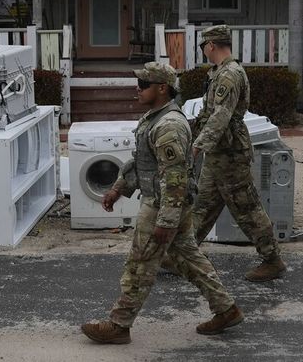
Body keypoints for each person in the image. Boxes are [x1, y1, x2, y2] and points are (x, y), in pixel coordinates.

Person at [81, 62, 243, 345]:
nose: (138, 89)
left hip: (162, 205)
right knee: (188, 259)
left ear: (162, 88)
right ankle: (226, 309)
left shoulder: (169, 125)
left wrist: (166, 220)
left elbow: (175, 176)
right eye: (139, 84)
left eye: (144, 85)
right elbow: (144, 162)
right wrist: (119, 188)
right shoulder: (154, 118)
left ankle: (119, 324)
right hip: (168, 203)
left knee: (140, 264)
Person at [190, 25, 287, 282]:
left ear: (211, 45)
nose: (203, 50)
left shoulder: (229, 75)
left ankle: (272, 259)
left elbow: (220, 117)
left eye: (203, 46)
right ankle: (183, 253)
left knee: (246, 207)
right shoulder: (219, 72)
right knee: (203, 205)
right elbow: (209, 114)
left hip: (230, 153)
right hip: (218, 152)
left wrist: (199, 144)